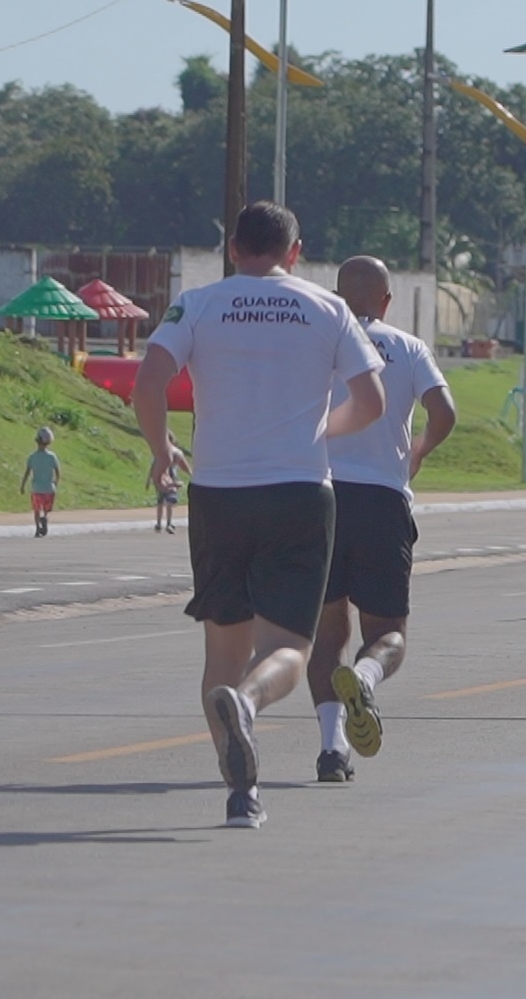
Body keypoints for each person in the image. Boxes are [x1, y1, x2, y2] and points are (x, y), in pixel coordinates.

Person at [134, 201, 386, 829]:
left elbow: (149, 382)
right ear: (295, 253)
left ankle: (242, 793)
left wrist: (162, 448)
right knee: (290, 649)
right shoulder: (326, 308)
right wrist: (319, 430)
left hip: (217, 493)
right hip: (298, 492)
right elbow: (372, 401)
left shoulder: (198, 304)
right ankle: (248, 703)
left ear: (233, 249)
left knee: (222, 653)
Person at [306, 256, 456, 784]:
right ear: (387, 301)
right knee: (387, 632)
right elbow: (445, 412)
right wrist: (419, 450)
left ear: (337, 296)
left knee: (327, 634)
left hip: (320, 497)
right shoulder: (408, 347)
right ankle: (367, 677)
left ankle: (332, 749)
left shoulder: (319, 344)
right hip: (382, 500)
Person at [20, 427, 60, 537]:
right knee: (46, 509)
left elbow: (27, 472)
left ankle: (38, 528)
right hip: (48, 488)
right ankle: (44, 518)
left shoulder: (32, 457)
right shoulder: (52, 457)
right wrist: (56, 483)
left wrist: (23, 485)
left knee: (36, 510)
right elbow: (57, 472)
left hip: (36, 488)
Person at [150, 433, 193, 533]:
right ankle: (163, 523)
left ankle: (164, 523)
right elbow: (184, 466)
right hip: (167, 478)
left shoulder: (161, 452)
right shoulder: (172, 452)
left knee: (164, 502)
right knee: (165, 502)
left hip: (165, 478)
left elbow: (154, 467)